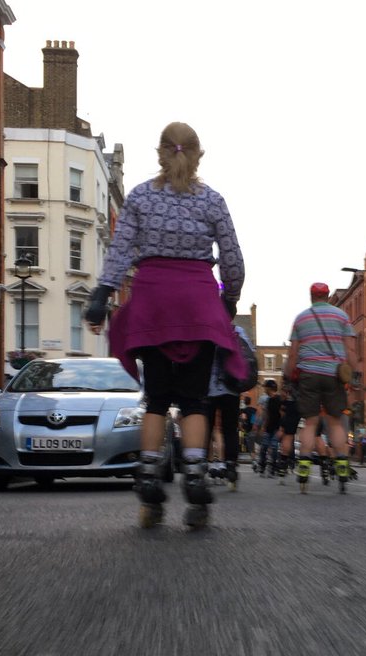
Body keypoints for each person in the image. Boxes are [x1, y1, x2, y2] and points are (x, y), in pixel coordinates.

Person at [84, 122, 246, 530]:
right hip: (196, 301)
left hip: (153, 299)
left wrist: (102, 294)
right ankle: (194, 473)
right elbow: (233, 258)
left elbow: (121, 250)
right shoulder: (212, 200)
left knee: (155, 397)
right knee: (194, 398)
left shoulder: (140, 195)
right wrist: (228, 301)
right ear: (197, 154)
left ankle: (147, 471)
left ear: (160, 153)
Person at [288, 283, 359, 490]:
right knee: (335, 422)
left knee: (310, 423)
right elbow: (351, 349)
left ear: (311, 296)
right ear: (327, 296)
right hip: (334, 374)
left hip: (308, 373)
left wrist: (288, 376)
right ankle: (342, 463)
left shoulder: (301, 318)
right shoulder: (342, 317)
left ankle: (303, 465)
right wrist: (353, 376)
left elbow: (293, 353)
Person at [205, 305, 254, 491]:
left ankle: (202, 464)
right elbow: (250, 353)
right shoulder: (238, 330)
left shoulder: (206, 328)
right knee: (230, 429)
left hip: (208, 388)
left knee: (206, 428)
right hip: (231, 387)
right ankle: (231, 467)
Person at [259, 380, 282, 477]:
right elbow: (267, 414)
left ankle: (272, 469)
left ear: (270, 388)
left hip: (276, 428)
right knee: (264, 447)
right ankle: (262, 467)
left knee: (274, 447)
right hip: (268, 428)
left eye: (265, 387)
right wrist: (263, 426)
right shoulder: (268, 400)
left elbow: (282, 414)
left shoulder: (279, 399)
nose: (264, 389)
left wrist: (281, 428)